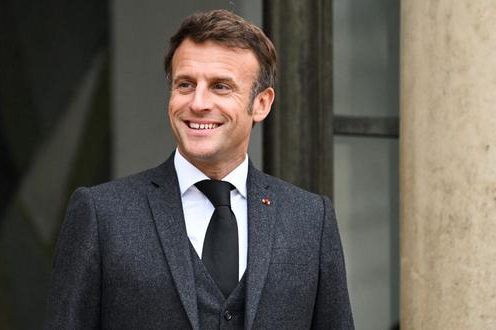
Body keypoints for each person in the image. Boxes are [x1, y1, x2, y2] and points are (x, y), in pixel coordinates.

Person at [45, 9, 353, 329]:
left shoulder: (310, 220)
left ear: (261, 103)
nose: (198, 103)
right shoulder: (101, 214)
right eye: (185, 85)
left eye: (220, 86)